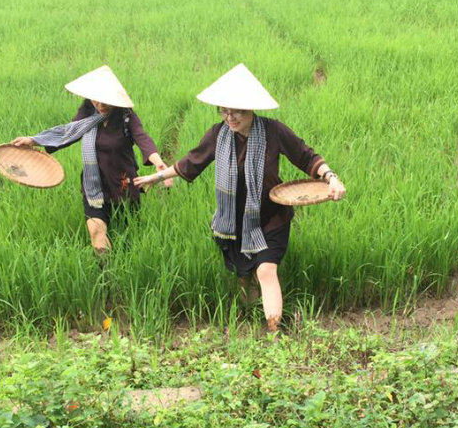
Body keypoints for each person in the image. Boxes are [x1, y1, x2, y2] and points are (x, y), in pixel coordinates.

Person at [134, 64, 346, 334]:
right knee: (244, 277)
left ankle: (273, 335)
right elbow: (190, 163)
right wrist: (154, 177)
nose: (230, 117)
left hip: (270, 220)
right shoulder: (217, 135)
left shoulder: (274, 132)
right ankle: (249, 320)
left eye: (236, 111)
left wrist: (331, 177)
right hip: (232, 223)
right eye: (224, 110)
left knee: (266, 271)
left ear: (251, 109)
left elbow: (306, 156)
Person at [11, 65, 171, 253]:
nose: (100, 105)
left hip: (123, 183)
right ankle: (107, 275)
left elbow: (142, 138)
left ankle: (125, 272)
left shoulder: (126, 116)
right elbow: (69, 132)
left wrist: (158, 163)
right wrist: (34, 140)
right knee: (96, 232)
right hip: (93, 184)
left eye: (105, 101)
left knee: (128, 238)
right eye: (97, 100)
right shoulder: (87, 110)